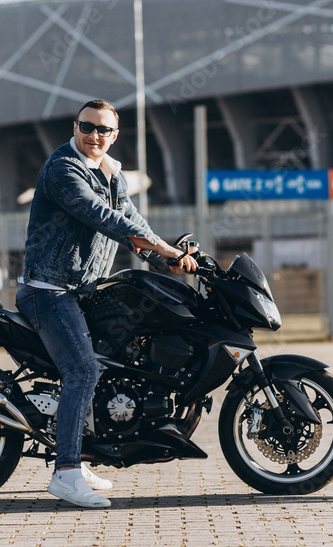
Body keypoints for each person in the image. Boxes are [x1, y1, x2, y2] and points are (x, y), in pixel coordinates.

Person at [15, 99, 198, 508]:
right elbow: (104, 219)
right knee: (82, 370)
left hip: (82, 291)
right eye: (88, 126)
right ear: (75, 127)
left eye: (104, 130)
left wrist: (171, 260)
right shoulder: (63, 168)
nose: (95, 135)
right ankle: (64, 474)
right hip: (49, 291)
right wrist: (163, 249)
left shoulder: (113, 175)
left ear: (115, 135)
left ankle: (78, 461)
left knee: (118, 359)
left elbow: (135, 226)